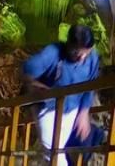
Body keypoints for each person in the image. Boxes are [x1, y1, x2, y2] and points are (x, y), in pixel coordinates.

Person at [23, 24, 100, 166]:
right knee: (52, 149)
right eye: (77, 52)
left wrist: (83, 113)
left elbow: (91, 85)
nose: (82, 57)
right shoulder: (54, 52)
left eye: (86, 53)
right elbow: (28, 69)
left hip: (72, 108)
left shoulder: (92, 58)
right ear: (69, 45)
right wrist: (35, 85)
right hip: (47, 107)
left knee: (61, 147)